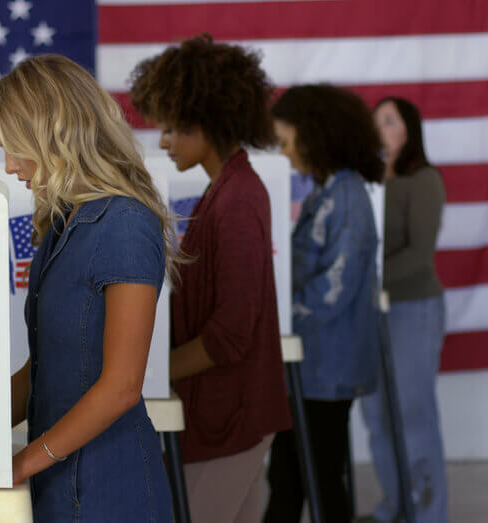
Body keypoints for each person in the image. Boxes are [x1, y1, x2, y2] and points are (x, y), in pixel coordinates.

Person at [0, 54, 180, 522]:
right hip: (59, 480)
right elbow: (43, 369)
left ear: (53, 136)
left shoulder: (126, 222)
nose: (10, 166)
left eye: (15, 147)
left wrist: (20, 464)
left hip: (110, 488)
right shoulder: (62, 222)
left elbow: (122, 387)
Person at [129, 34, 292, 523]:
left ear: (207, 120)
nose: (161, 140)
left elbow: (231, 333)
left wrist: (144, 376)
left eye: (173, 127)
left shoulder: (238, 199)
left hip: (233, 414)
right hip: (229, 412)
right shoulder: (227, 190)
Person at [263, 84, 384, 523]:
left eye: (285, 142)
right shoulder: (326, 192)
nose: (284, 153)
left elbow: (334, 288)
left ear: (314, 135)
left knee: (317, 478)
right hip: (311, 365)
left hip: (327, 368)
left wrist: (273, 315)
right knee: (292, 475)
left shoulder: (346, 198)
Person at [359, 97, 448, 523]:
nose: (381, 129)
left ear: (409, 130)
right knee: (376, 416)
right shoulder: (366, 181)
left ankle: (428, 513)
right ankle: (395, 506)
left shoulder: (424, 179)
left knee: (413, 413)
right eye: (376, 122)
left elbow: (420, 252)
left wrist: (367, 279)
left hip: (413, 308)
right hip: (369, 312)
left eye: (390, 121)